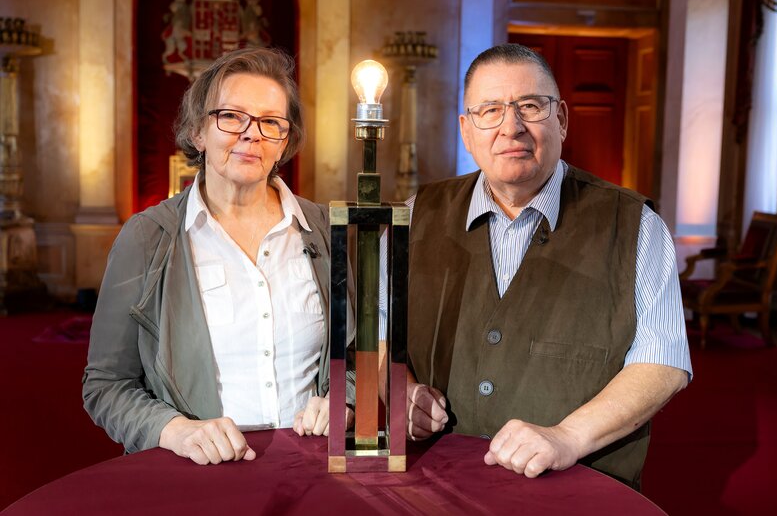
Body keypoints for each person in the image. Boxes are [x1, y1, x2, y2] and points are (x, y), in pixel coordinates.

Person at [403, 44, 692, 489]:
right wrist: (401, 391)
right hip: (436, 487)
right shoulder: (414, 216)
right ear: (466, 130)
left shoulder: (636, 224)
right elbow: (376, 336)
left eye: (530, 106)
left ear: (561, 119)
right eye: (490, 110)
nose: (511, 127)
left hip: (577, 490)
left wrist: (567, 436)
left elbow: (663, 364)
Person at [83, 47, 354, 466]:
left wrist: (345, 399)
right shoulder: (146, 237)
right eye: (231, 116)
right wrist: (176, 430)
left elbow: (359, 357)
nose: (251, 134)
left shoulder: (325, 228)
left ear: (284, 142)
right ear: (197, 132)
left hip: (312, 467)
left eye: (270, 122)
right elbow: (106, 384)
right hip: (198, 475)